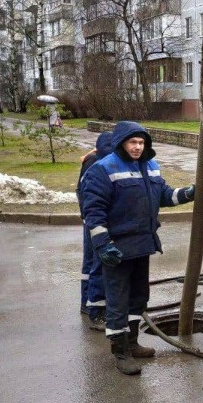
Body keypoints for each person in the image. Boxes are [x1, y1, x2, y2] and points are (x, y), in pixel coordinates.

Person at [80, 121, 195, 375]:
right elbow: (93, 213)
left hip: (142, 245)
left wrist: (187, 193)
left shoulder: (150, 166)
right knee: (118, 301)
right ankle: (120, 351)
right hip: (117, 250)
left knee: (138, 297)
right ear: (122, 142)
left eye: (141, 143)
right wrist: (103, 244)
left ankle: (132, 343)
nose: (137, 147)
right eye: (133, 142)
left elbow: (163, 194)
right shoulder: (103, 169)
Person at [76, 131, 113, 330]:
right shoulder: (93, 162)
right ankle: (91, 306)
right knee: (94, 263)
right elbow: (83, 191)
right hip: (93, 220)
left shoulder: (96, 158)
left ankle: (88, 304)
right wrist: (88, 217)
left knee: (93, 262)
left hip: (95, 218)